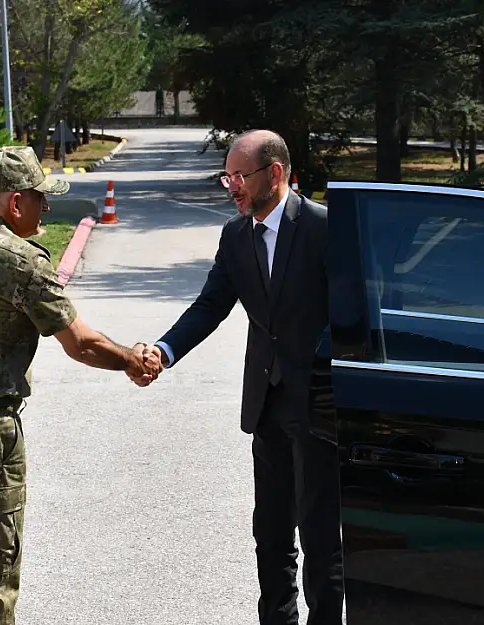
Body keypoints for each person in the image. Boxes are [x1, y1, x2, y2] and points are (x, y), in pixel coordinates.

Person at [0, 145, 162, 625]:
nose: (47, 208)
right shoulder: (19, 260)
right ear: (16, 202)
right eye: (41, 199)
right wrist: (132, 360)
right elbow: (80, 343)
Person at [134, 130, 343, 625]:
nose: (232, 187)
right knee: (270, 534)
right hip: (266, 405)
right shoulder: (236, 234)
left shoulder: (323, 228)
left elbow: (351, 314)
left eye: (240, 176)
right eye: (227, 176)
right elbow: (211, 305)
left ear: (274, 173)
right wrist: (164, 351)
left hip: (318, 407)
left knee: (319, 537)